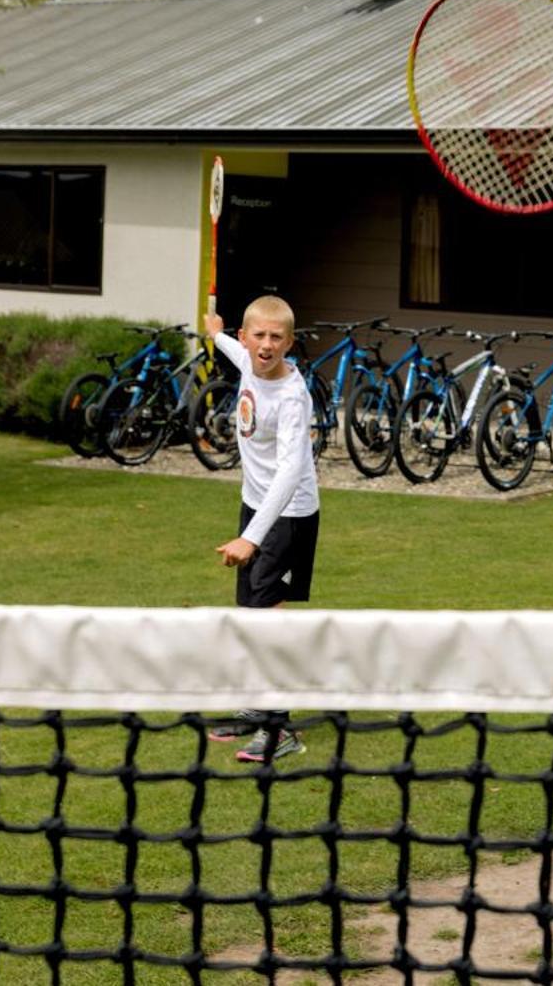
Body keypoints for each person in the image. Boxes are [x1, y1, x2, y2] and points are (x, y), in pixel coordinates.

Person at [205, 294, 321, 763]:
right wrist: (213, 330)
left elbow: (291, 472)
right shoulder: (248, 361)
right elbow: (233, 352)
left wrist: (252, 537)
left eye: (277, 337)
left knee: (268, 618)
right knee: (250, 612)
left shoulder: (292, 398)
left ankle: (281, 729)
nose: (266, 345)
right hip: (254, 506)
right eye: (259, 336)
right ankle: (257, 708)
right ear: (245, 337)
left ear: (289, 343)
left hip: (287, 515)